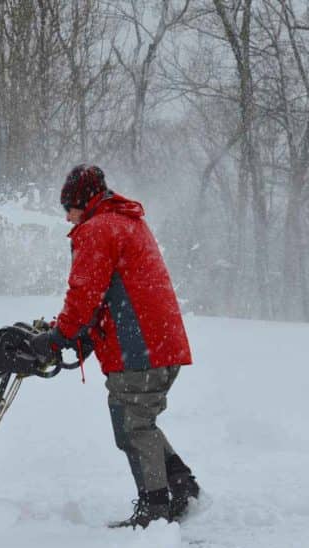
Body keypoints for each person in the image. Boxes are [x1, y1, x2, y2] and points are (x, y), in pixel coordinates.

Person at [30, 164, 199, 529]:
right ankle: (182, 484)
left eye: (68, 208)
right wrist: (78, 334)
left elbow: (85, 293)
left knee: (132, 426)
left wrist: (60, 336)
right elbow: (113, 292)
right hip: (159, 342)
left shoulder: (97, 229)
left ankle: (155, 508)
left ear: (82, 202)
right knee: (139, 421)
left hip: (140, 348)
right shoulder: (126, 221)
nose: (67, 218)